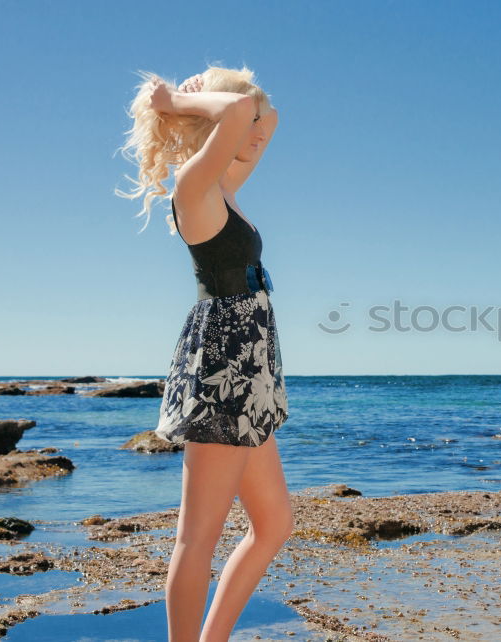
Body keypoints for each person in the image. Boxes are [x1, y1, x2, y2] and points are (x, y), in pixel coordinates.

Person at [115, 65, 292, 642]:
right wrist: (172, 100)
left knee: (274, 524)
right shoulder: (193, 185)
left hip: (250, 371)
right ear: (212, 120)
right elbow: (241, 116)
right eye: (246, 118)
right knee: (198, 537)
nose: (258, 133)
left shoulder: (225, 188)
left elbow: (264, 118)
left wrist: (247, 102)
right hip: (223, 370)